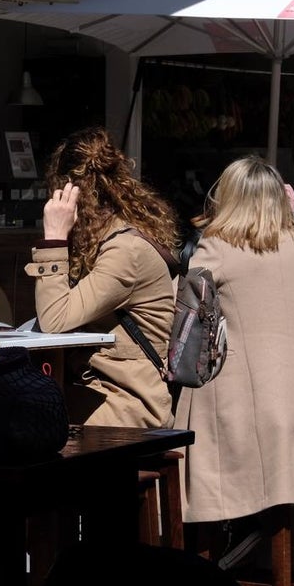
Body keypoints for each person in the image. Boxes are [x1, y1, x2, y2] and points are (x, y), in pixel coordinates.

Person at [174, 156, 294, 566]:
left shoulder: (216, 247)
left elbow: (189, 321)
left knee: (193, 427)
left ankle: (212, 579)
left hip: (241, 418)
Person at [25, 126, 180, 428]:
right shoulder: (101, 242)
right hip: (94, 391)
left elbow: (54, 319)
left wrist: (55, 238)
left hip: (129, 402)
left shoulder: (125, 251)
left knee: (25, 420)